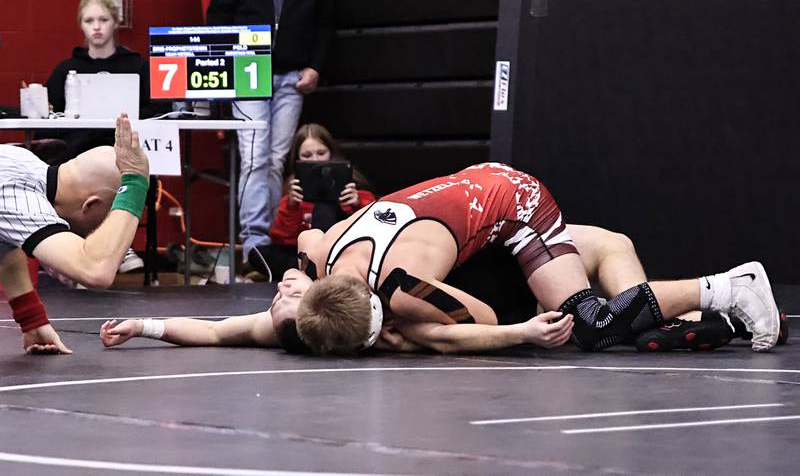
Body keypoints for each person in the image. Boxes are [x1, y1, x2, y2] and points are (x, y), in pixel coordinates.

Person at [290, 162, 780, 355]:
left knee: (590, 325)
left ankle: (731, 286)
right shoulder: (321, 248)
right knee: (634, 314)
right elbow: (300, 263)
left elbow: (480, 318)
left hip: (517, 203)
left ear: (380, 315)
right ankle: (695, 318)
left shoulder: (404, 285)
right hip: (476, 187)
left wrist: (414, 336)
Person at [98, 222, 782, 355]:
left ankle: (724, 292)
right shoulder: (368, 316)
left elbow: (215, 329)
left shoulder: (355, 305)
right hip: (525, 271)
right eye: (286, 292)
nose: (280, 292)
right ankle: (726, 310)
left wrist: (146, 328)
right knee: (620, 334)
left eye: (286, 288)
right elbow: (220, 330)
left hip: (562, 249)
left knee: (610, 324)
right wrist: (516, 334)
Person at [206, 0, 334, 268]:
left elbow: (324, 18)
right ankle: (254, 240)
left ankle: (274, 235)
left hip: (291, 74)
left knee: (277, 157)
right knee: (254, 154)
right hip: (248, 69)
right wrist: (230, 61)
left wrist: (315, 65)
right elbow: (218, 13)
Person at [2, 115, 149, 354]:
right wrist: (133, 186)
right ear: (90, 205)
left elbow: (6, 246)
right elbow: (96, 271)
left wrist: (31, 318)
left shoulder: (22, 162)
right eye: (111, 218)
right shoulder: (19, 193)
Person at [40, 0, 165, 273]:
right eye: (89, 20)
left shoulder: (137, 66)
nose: (96, 27)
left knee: (115, 164)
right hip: (75, 156)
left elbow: (157, 110)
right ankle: (97, 248)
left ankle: (110, 245)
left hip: (118, 152)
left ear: (115, 23)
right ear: (81, 25)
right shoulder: (66, 69)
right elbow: (49, 118)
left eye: (103, 19)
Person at [249, 124, 376, 279]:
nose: (315, 160)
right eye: (307, 156)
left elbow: (375, 229)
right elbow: (281, 239)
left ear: (331, 153)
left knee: (324, 206)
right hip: (305, 256)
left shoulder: (353, 187)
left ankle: (314, 273)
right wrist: (291, 206)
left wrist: (357, 204)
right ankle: (315, 273)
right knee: (257, 254)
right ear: (298, 159)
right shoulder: (293, 192)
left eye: (321, 153)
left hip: (342, 253)